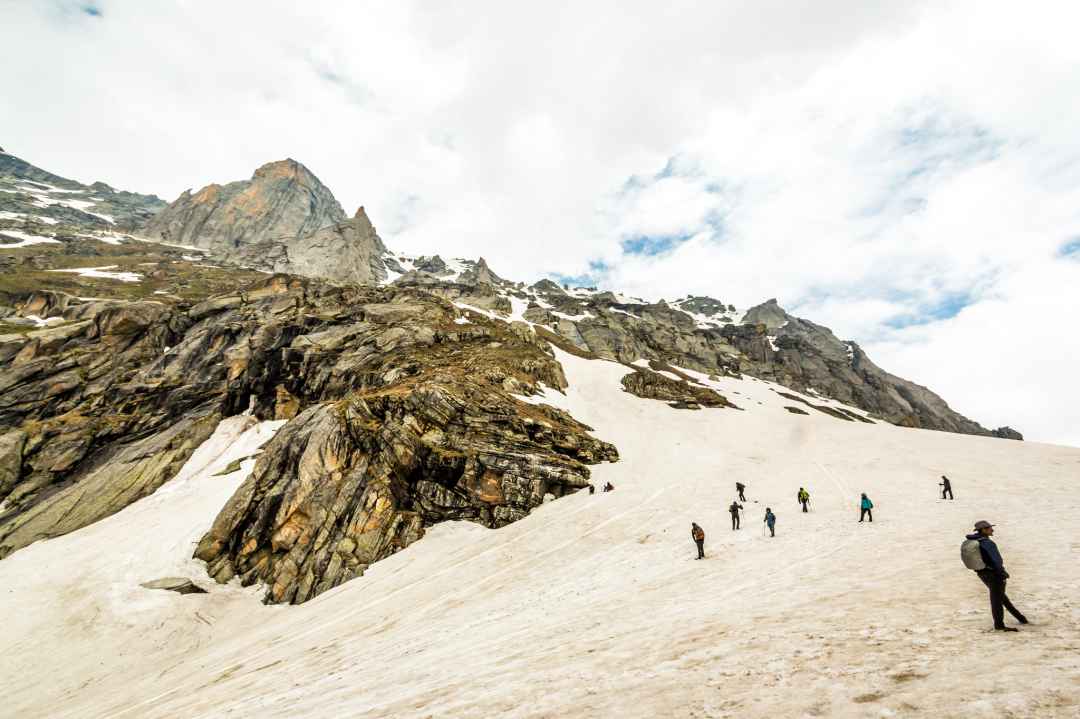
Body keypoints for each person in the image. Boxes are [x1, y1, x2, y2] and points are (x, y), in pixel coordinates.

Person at [966, 520, 1028, 631]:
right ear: (984, 530)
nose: (992, 530)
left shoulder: (973, 541)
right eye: (990, 528)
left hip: (982, 573)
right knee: (997, 600)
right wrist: (1002, 573)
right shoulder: (987, 543)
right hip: (994, 574)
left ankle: (1022, 619)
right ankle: (999, 625)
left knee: (1001, 597)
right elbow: (997, 561)